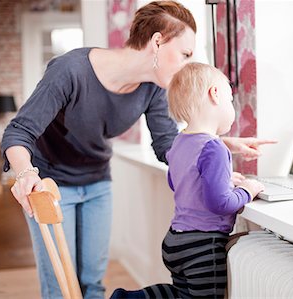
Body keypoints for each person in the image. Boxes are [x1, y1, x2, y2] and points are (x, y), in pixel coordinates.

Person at [1, 1, 271, 298]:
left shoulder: (153, 87)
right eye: (184, 54)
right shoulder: (70, 70)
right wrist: (26, 173)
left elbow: (167, 146)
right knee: (59, 286)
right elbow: (19, 131)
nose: (187, 66)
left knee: (91, 283)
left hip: (97, 181)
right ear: (157, 41)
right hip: (51, 182)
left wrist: (215, 145)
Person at [111, 62, 265, 299]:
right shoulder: (214, 147)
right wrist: (247, 189)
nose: (231, 106)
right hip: (202, 246)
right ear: (215, 94)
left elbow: (178, 181)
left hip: (176, 240)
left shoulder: (180, 142)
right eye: (230, 99)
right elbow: (219, 203)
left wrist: (220, 179)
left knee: (181, 294)